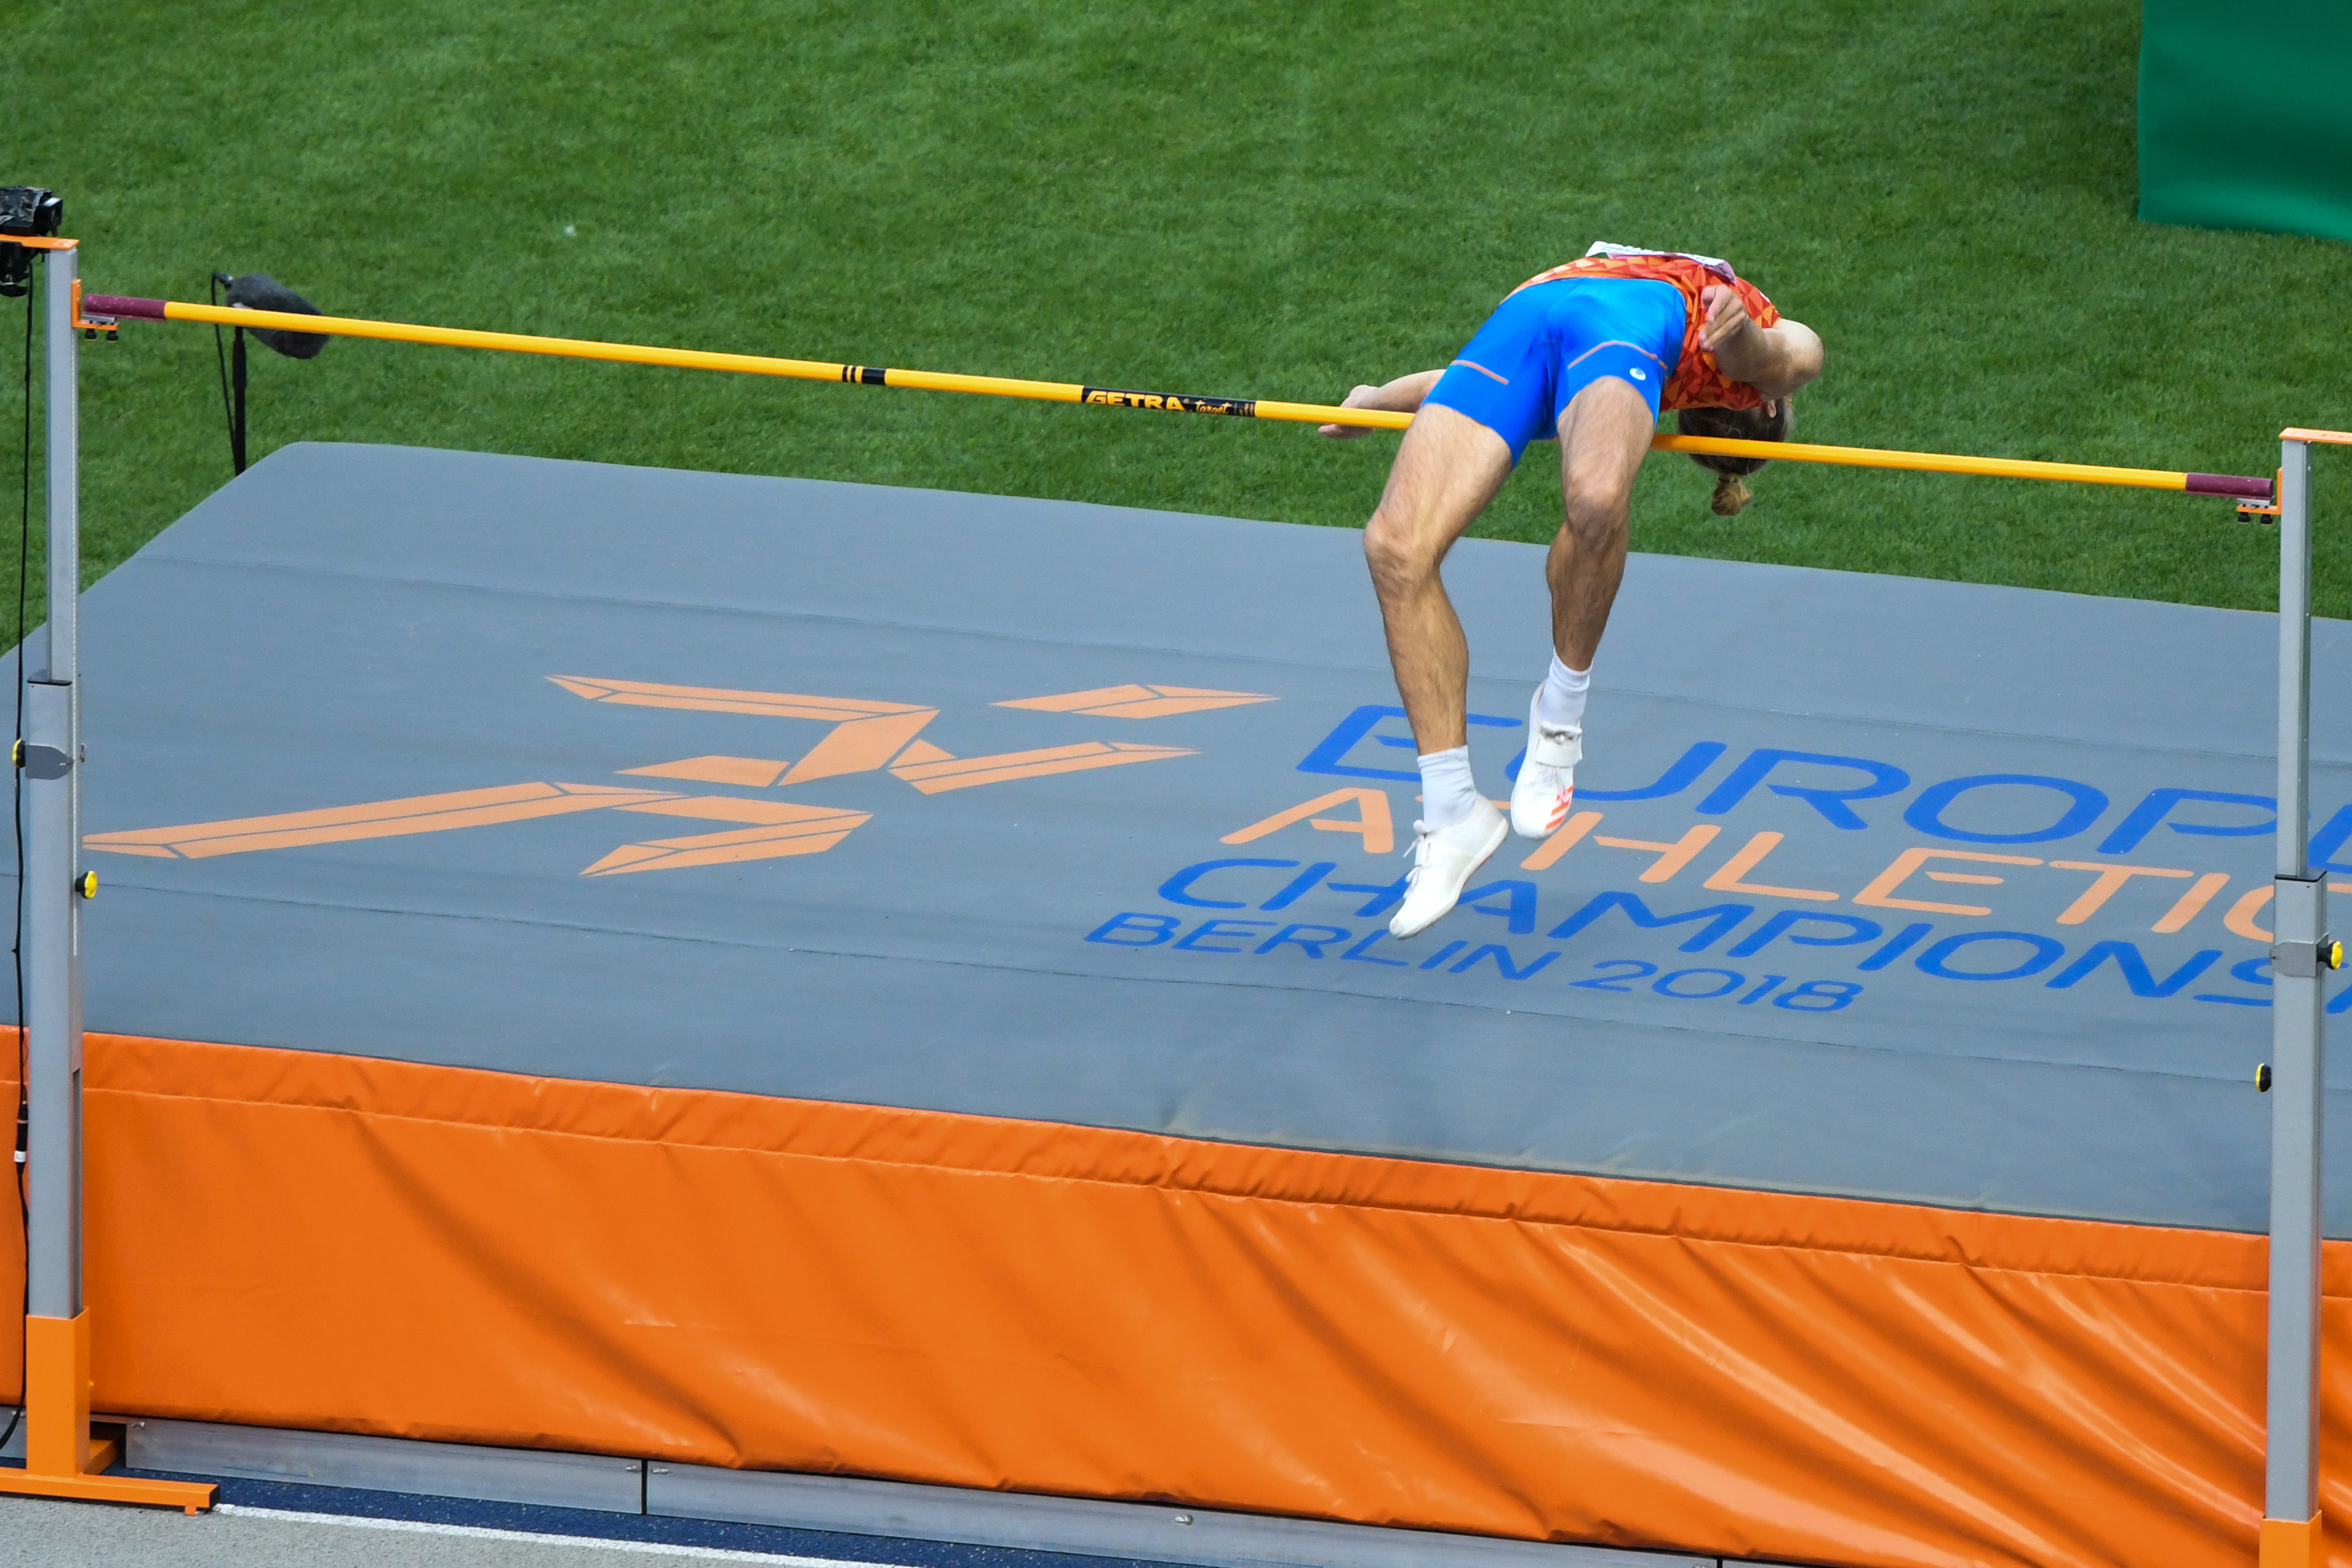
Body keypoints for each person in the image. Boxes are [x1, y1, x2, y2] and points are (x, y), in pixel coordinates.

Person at [1322, 244, 1823, 939]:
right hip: (1532, 316)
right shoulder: (1736, 360)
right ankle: (1453, 811)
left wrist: (1735, 333)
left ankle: (1557, 725)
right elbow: (1790, 355)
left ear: (1763, 405)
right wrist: (1376, 402)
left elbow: (1759, 359)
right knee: (1394, 549)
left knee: (1593, 498)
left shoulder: (1705, 368)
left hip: (1591, 320)